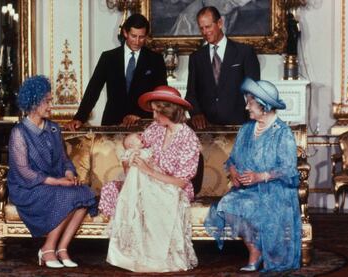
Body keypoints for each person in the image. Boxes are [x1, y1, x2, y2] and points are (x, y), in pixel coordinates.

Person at [204, 77, 301, 273]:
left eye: (250, 102)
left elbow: (289, 169)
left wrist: (261, 176)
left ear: (264, 106)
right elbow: (231, 160)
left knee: (252, 207)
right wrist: (233, 173)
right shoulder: (247, 129)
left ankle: (259, 254)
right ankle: (255, 249)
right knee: (226, 205)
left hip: (275, 189)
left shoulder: (282, 132)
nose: (247, 107)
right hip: (247, 189)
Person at [100, 85, 200, 272]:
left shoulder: (189, 138)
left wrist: (147, 171)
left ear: (168, 111)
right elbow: (133, 149)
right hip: (146, 181)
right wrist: (132, 162)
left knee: (140, 180)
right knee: (113, 187)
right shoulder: (156, 128)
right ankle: (132, 253)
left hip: (173, 187)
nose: (153, 116)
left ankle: (155, 256)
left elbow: (181, 181)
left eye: (156, 111)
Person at [7, 75, 97, 268]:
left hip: (53, 182)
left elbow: (64, 161)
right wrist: (57, 182)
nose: (50, 106)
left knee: (85, 193)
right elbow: (24, 172)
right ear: (33, 102)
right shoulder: (19, 133)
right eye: (47, 101)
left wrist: (69, 175)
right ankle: (47, 248)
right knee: (66, 196)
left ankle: (62, 248)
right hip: (28, 187)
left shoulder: (54, 129)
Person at [66, 13, 167, 129]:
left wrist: (139, 115)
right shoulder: (108, 58)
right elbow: (93, 90)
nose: (137, 41)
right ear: (125, 33)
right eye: (133, 36)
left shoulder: (156, 60)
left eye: (142, 37)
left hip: (144, 125)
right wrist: (79, 118)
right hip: (112, 123)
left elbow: (161, 96)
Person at [186, 6, 260, 129]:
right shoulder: (196, 57)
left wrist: (250, 122)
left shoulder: (244, 52)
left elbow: (254, 92)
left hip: (239, 124)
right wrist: (196, 113)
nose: (205, 32)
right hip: (207, 128)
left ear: (220, 23)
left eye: (208, 26)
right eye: (201, 28)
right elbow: (191, 94)